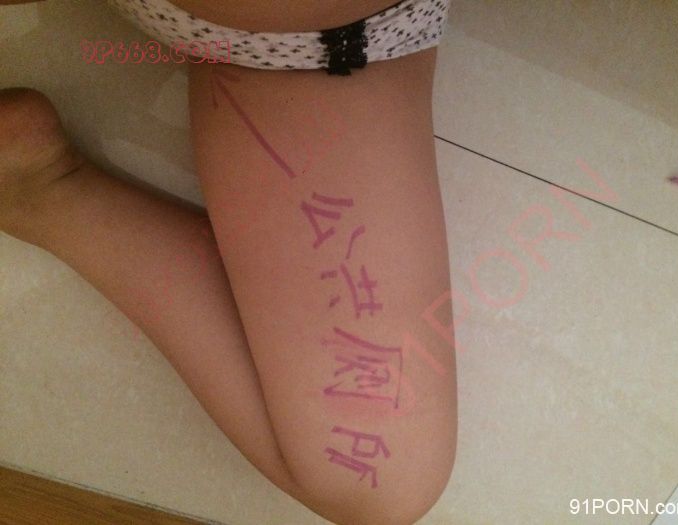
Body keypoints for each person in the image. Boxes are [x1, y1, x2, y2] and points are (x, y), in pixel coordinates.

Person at [0, 1, 457, 523]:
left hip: (308, 41)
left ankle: (48, 192)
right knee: (380, 488)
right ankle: (48, 194)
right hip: (304, 40)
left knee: (377, 479)